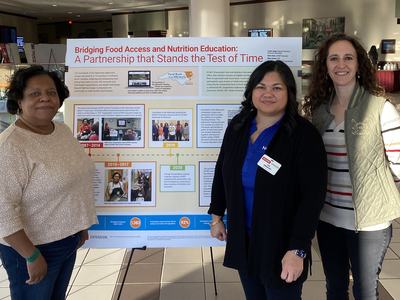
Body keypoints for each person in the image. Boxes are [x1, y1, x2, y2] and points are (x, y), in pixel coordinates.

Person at [209, 60, 327, 300]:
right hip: (245, 240)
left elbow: (312, 198)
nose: (268, 94)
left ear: (289, 93)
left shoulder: (304, 135)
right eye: (261, 87)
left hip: (281, 244)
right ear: (251, 91)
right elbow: (223, 170)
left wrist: (298, 250)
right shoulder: (238, 126)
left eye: (277, 88)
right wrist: (216, 217)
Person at [303, 33, 400, 300]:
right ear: (325, 65)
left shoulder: (381, 109)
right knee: (334, 288)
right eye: (334, 58)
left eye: (348, 57)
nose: (341, 64)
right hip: (328, 219)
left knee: (365, 291)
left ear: (359, 64)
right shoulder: (318, 112)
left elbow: (399, 166)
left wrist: (381, 196)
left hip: (369, 223)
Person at [0, 65, 98, 299]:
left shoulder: (61, 130)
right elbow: (2, 210)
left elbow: (75, 178)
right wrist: (31, 255)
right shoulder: (10, 146)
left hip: (66, 240)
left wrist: (79, 225)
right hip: (32, 248)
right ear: (19, 101)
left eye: (51, 92)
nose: (45, 98)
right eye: (35, 93)